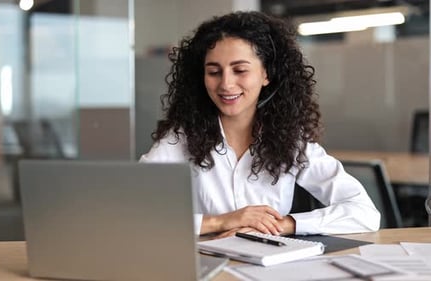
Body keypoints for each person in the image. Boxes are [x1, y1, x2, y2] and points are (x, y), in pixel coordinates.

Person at [140, 11, 380, 237]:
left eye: (240, 70)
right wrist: (221, 221)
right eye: (214, 72)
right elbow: (130, 205)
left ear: (266, 74)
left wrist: (282, 225)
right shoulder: (181, 138)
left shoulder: (290, 141)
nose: (226, 84)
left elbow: (365, 213)